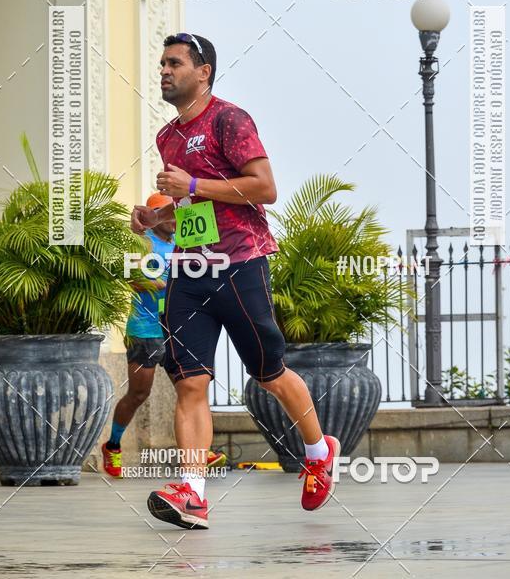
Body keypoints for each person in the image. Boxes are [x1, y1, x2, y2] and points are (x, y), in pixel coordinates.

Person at [130, 32, 339, 530]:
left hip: (241, 263)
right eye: (161, 63)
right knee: (190, 383)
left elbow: (264, 188)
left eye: (175, 63)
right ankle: (193, 494)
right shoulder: (167, 137)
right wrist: (154, 221)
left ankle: (317, 451)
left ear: (203, 72)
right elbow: (187, 215)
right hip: (189, 269)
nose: (164, 70)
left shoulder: (229, 119)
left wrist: (194, 184)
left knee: (269, 373)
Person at [101, 191, 226, 478]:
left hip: (176, 329)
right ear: (154, 217)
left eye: (175, 216)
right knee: (138, 393)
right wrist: (169, 286)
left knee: (190, 389)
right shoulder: (143, 243)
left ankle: (200, 452)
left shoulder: (183, 245)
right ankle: (114, 445)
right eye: (166, 215)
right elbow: (134, 279)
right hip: (144, 329)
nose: (173, 221)